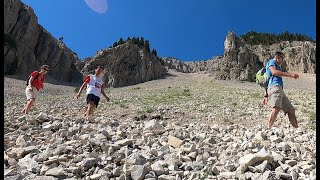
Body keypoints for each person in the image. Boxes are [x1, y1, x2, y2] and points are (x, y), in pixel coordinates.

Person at [261, 51, 299, 128]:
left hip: (279, 89)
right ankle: (268, 128)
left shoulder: (278, 66)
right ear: (278, 57)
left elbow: (267, 82)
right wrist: (290, 75)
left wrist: (266, 95)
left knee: (291, 110)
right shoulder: (272, 62)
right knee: (277, 107)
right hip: (275, 87)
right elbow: (273, 72)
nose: (282, 60)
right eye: (282, 58)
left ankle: (297, 129)